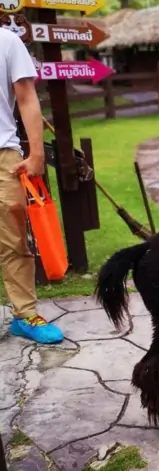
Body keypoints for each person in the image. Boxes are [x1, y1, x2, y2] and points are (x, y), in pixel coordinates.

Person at [0, 27, 64, 344]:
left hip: (3, 154)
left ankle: (25, 316)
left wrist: (37, 152)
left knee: (13, 239)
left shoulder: (7, 41)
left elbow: (26, 97)